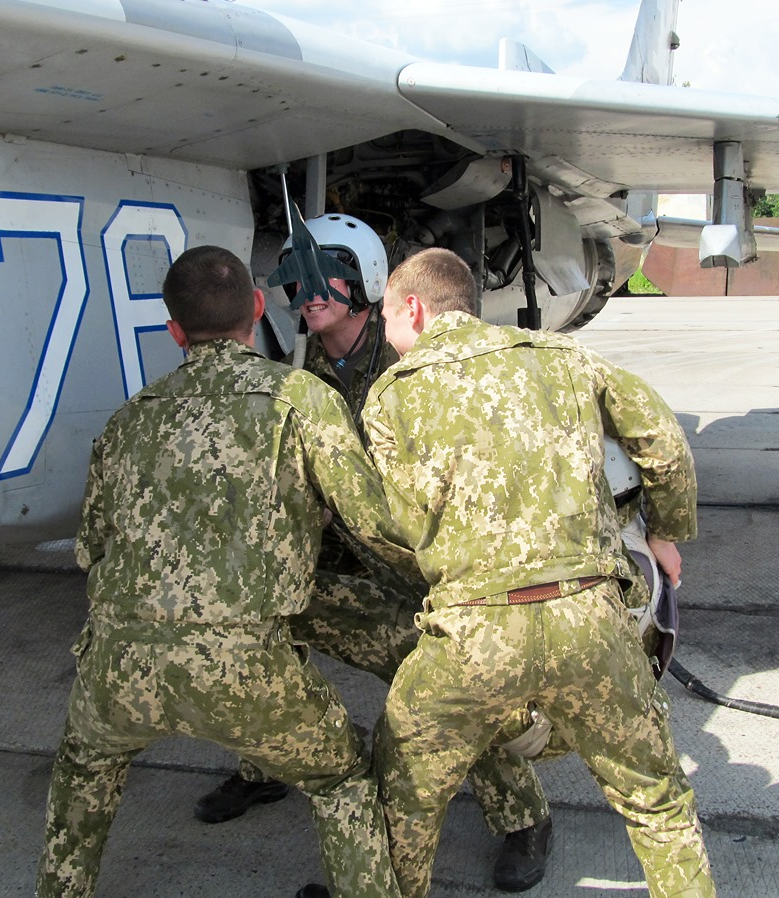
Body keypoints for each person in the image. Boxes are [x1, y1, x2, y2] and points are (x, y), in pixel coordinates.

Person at [35, 245, 415, 898]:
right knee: (341, 779)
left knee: (83, 768)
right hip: (246, 672)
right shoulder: (300, 398)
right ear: (259, 308)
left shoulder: (129, 419)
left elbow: (92, 548)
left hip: (119, 668)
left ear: (174, 330)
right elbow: (376, 526)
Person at [193, 214, 554, 893]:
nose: (308, 293)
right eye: (296, 280)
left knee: (448, 678)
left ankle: (523, 816)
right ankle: (265, 765)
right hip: (334, 549)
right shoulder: (302, 372)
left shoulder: (407, 363)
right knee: (262, 629)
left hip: (412, 560)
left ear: (362, 279)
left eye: (325, 276)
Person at [365, 247, 716, 898]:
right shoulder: (563, 356)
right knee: (657, 799)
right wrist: (664, 534)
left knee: (403, 794)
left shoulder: (390, 397)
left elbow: (404, 527)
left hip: (471, 637)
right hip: (588, 620)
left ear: (413, 307)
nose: (383, 331)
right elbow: (661, 439)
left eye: (384, 315)